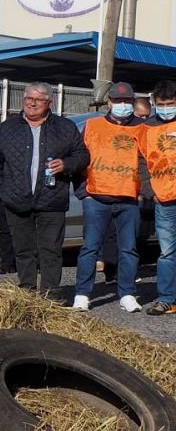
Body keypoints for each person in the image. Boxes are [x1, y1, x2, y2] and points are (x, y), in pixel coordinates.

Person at [0, 83, 88, 297]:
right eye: (28, 99)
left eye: (38, 99)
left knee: (51, 251)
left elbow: (82, 156)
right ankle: (28, 294)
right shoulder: (7, 128)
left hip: (52, 200)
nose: (32, 103)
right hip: (16, 200)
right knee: (23, 251)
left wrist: (67, 164)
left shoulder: (65, 127)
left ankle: (51, 297)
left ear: (49, 103)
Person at [73, 82, 144, 312]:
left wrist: (144, 191)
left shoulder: (142, 128)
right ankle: (82, 294)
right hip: (97, 198)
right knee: (90, 248)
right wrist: (83, 192)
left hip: (129, 200)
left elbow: (149, 162)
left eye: (127, 101)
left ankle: (127, 293)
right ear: (109, 102)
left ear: (132, 103)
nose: (122, 105)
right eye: (118, 100)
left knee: (129, 249)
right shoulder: (92, 126)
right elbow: (78, 158)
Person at [141, 81, 176, 315]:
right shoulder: (146, 129)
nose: (165, 108)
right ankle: (167, 299)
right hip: (164, 200)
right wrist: (149, 190)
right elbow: (141, 161)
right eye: (161, 104)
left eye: (171, 104)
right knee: (167, 253)